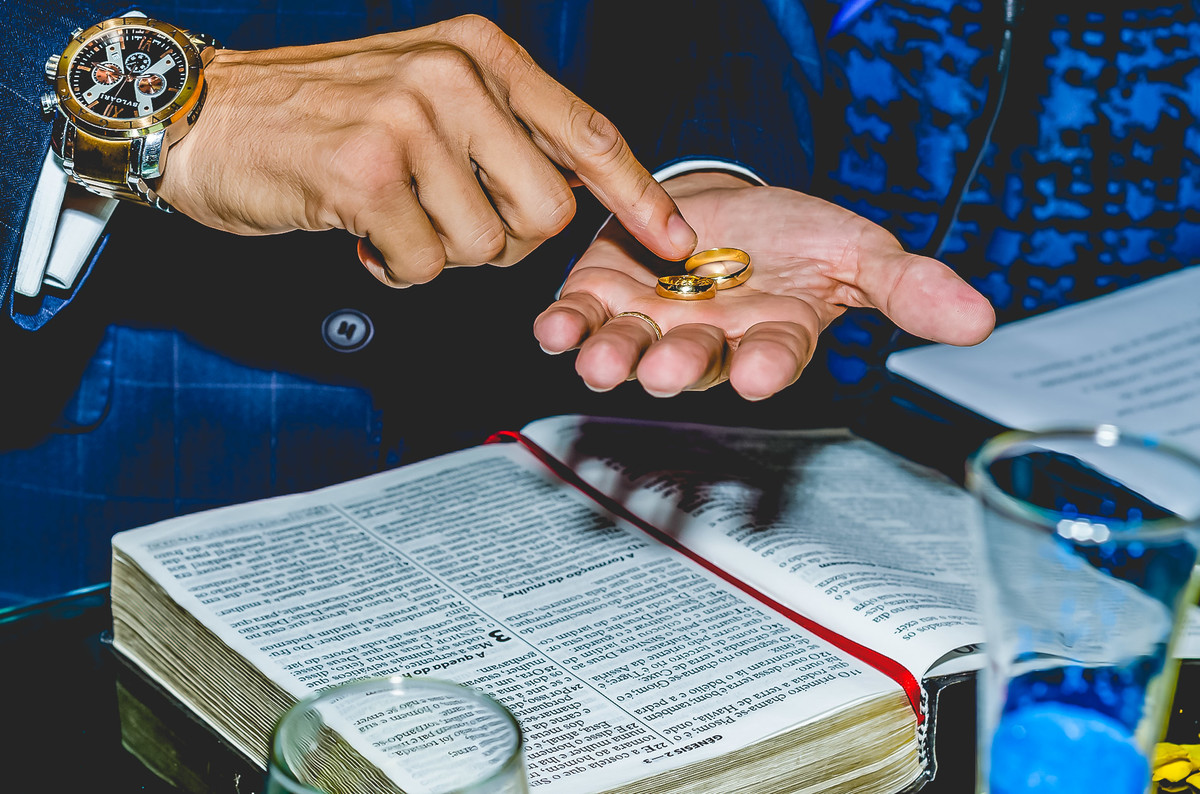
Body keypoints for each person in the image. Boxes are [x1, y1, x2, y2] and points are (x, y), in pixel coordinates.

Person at [1, 0, 994, 607]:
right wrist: (157, 113)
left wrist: (697, 171)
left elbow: (720, 24)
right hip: (95, 490)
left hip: (534, 436)